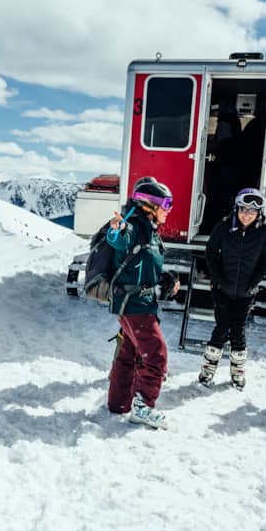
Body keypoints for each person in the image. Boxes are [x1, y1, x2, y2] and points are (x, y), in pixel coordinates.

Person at [106, 177, 180, 428]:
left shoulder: (150, 231)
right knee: (156, 354)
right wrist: (116, 230)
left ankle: (119, 403)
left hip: (141, 301)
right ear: (150, 205)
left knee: (130, 351)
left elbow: (144, 264)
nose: (169, 210)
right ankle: (143, 407)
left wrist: (166, 279)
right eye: (166, 205)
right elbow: (119, 238)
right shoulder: (134, 226)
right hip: (134, 303)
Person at [198, 187, 266, 389]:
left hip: (246, 292)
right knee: (222, 327)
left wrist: (253, 283)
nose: (247, 214)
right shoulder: (223, 227)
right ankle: (208, 369)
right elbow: (211, 253)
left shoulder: (265, 233)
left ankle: (237, 372)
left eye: (252, 211)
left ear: (259, 213)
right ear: (236, 209)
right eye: (243, 209)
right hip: (222, 289)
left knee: (238, 330)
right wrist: (218, 279)